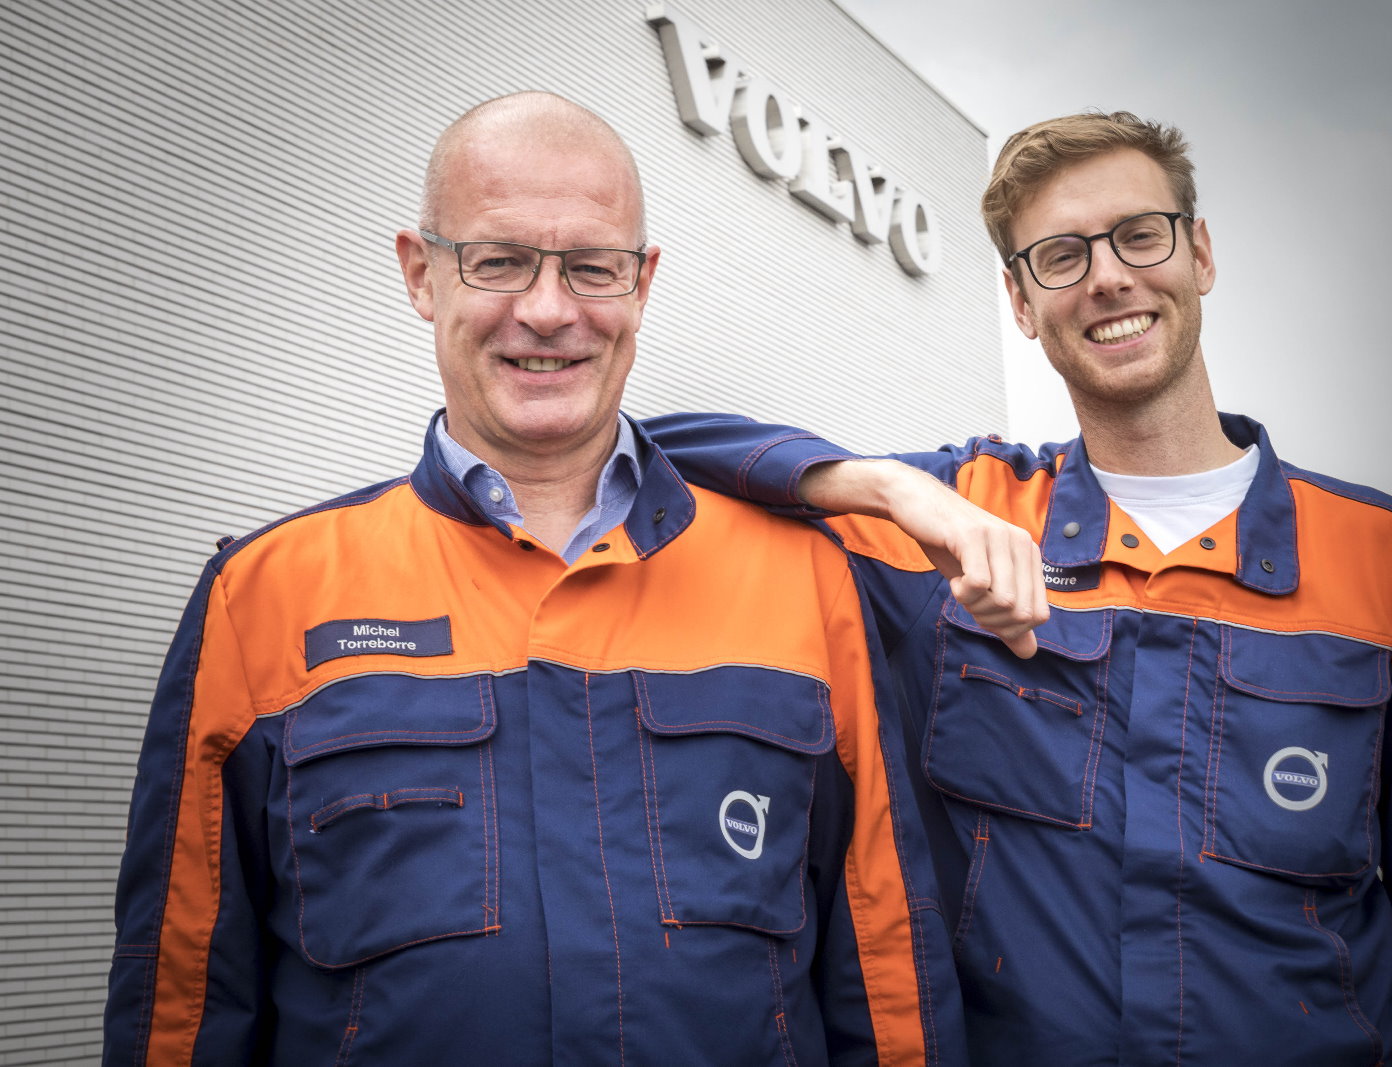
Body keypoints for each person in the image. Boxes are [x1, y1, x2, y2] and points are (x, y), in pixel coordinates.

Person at [102, 91, 1039, 1065]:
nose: (548, 311)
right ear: (421, 274)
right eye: (499, 260)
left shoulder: (805, 580)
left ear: (642, 284)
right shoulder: (261, 596)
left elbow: (886, 974)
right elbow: (183, 1000)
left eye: (592, 266)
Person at [649, 111, 1392, 1064]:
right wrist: (888, 487)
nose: (1109, 276)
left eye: (1139, 235)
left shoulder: (1385, 555)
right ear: (1020, 302)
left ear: (1200, 252)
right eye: (1062, 256)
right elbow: (652, 453)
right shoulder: (955, 521)